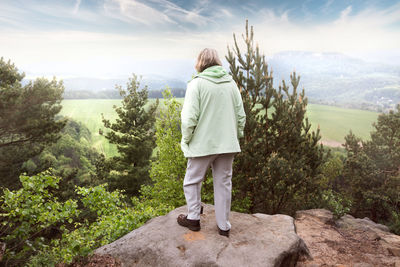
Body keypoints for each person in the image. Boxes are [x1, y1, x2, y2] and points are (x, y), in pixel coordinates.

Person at [177, 48, 246, 237]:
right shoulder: (231, 84)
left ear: (200, 63)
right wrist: (235, 135)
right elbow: (241, 116)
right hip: (228, 143)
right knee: (224, 183)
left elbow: (188, 119)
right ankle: (224, 227)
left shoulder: (196, 84)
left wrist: (186, 140)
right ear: (217, 62)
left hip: (203, 144)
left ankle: (193, 218)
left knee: (192, 181)